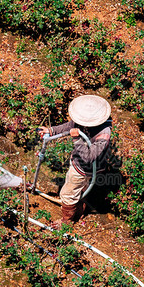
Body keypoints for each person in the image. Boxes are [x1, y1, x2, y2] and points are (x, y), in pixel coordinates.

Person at [38, 95, 113, 224]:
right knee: (79, 190)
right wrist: (51, 131)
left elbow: (88, 157)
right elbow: (70, 126)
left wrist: (76, 139)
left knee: (67, 195)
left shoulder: (103, 134)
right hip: (79, 163)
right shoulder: (84, 120)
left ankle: (66, 221)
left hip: (85, 169)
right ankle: (78, 211)